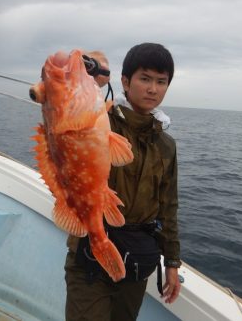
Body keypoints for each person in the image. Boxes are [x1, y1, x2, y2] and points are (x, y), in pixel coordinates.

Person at [65, 43, 181, 321]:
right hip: (90, 256)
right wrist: (83, 77)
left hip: (138, 258)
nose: (152, 88)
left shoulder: (166, 144)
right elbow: (66, 114)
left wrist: (172, 263)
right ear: (125, 82)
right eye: (145, 79)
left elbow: (168, 206)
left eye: (161, 81)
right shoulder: (100, 120)